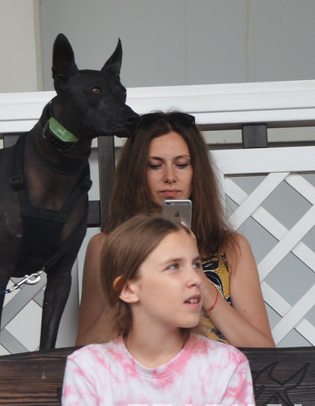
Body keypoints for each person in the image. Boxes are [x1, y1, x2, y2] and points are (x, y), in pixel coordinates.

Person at [76, 111, 275, 348]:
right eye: (155, 165)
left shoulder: (232, 247)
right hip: (141, 370)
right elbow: (85, 349)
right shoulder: (106, 246)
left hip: (218, 370)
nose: (169, 177)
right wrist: (135, 265)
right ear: (136, 172)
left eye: (181, 165)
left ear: (196, 171)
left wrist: (199, 278)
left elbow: (264, 352)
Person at [61, 215, 259, 406]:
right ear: (128, 289)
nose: (196, 279)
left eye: (196, 265)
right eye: (174, 267)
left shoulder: (227, 365)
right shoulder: (88, 368)